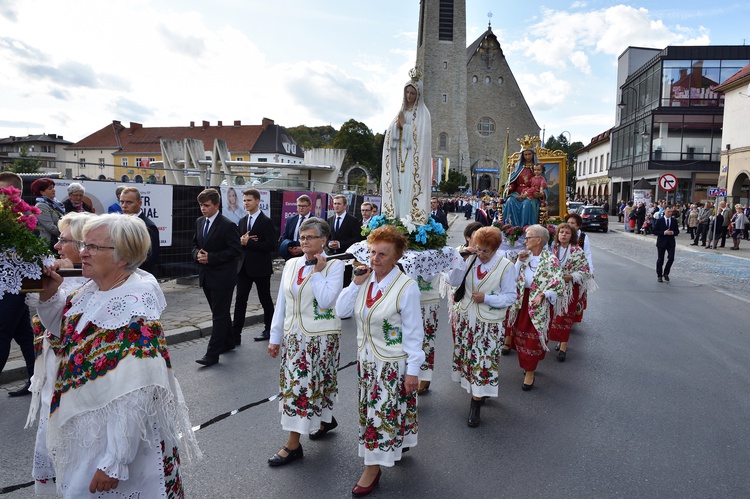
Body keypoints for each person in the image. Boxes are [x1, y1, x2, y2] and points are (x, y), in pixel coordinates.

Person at [34, 214, 200, 497]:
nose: (83, 252)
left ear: (122, 257)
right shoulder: (94, 289)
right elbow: (64, 332)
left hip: (117, 440)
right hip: (89, 430)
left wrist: (116, 460)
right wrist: (50, 296)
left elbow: (135, 394)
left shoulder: (135, 311)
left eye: (93, 247)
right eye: (84, 244)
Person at [335, 225, 424, 497]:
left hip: (392, 363)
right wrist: (355, 283)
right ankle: (393, 446)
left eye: (382, 254)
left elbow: (413, 333)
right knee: (375, 411)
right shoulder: (366, 281)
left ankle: (372, 467)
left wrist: (412, 371)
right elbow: (341, 311)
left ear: (396, 257)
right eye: (372, 252)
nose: (374, 259)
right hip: (367, 361)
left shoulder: (406, 287)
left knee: (380, 414)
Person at [266, 217, 344, 466]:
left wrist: (317, 273)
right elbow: (283, 302)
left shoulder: (334, 266)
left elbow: (326, 301)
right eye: (302, 237)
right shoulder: (290, 264)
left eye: (310, 237)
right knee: (297, 389)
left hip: (321, 338)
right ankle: (306, 433)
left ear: (323, 240)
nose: (305, 241)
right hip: (294, 337)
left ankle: (296, 441)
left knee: (314, 384)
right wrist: (275, 336)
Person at [25, 212, 91, 495]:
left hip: (75, 374)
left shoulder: (91, 282)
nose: (56, 246)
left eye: (63, 240)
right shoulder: (62, 274)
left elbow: (63, 328)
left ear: (83, 245)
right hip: (53, 369)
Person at [447, 226, 516, 427]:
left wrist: (487, 298)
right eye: (478, 249)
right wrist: (461, 260)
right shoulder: (470, 258)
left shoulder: (505, 266)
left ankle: (476, 403)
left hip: (488, 323)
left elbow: (511, 296)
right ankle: (478, 391)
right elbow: (453, 281)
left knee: (483, 361)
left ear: (495, 249)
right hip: (467, 319)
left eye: (486, 251)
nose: (481, 254)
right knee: (470, 359)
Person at [505, 224, 564, 390]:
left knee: (533, 340)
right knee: (521, 337)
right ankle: (527, 365)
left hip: (539, 305)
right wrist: (518, 261)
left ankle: (530, 372)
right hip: (523, 303)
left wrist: (543, 294)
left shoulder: (551, 260)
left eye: (529, 237)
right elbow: (513, 279)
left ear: (539, 240)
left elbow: (558, 283)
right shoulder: (525, 256)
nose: (525, 241)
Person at [193, 188, 241, 366]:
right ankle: (228, 342)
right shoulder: (199, 222)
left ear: (216, 206)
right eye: (201, 205)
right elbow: (194, 245)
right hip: (206, 276)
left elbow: (235, 250)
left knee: (219, 316)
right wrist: (197, 254)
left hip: (223, 277)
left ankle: (212, 354)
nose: (203, 209)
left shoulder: (227, 225)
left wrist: (211, 258)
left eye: (206, 205)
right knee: (218, 313)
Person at [0, 172, 36, 397]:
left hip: (12, 284)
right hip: (7, 284)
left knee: (1, 333)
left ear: (16, 193)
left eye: (3, 192)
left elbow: (23, 253)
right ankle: (35, 380)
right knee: (24, 335)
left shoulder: (22, 216)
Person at [381, 78, 432, 225]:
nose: (409, 96)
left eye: (413, 93)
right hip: (398, 159)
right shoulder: (400, 112)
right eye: (407, 93)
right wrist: (396, 127)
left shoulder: (424, 115)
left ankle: (411, 220)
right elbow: (390, 140)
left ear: (418, 95)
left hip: (412, 161)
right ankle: (395, 219)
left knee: (410, 188)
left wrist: (404, 126)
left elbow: (421, 139)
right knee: (398, 188)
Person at [233, 189, 276, 343]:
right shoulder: (243, 220)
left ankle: (269, 329)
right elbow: (240, 243)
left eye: (249, 200)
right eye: (244, 200)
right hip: (243, 267)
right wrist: (241, 242)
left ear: (257, 201)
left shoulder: (266, 221)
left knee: (265, 299)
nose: (246, 203)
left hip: (260, 268)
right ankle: (235, 334)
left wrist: (249, 242)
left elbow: (271, 245)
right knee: (240, 301)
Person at [548, 223, 596, 361]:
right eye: (561, 232)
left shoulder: (577, 251)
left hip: (569, 289)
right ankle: (551, 340)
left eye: (567, 233)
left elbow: (585, 271)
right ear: (557, 235)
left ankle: (563, 346)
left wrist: (570, 277)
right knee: (553, 316)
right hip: (553, 287)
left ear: (572, 236)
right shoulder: (552, 249)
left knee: (566, 316)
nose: (563, 234)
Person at [119, 186, 160, 275]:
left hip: (140, 275)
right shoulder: (118, 223)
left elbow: (151, 257)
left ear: (140, 203)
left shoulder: (148, 226)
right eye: (122, 202)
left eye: (129, 202)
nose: (124, 206)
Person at [502, 149, 545, 226]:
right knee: (509, 201)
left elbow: (543, 185)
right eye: (525, 154)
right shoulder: (518, 168)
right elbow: (513, 182)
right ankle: (511, 226)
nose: (527, 156)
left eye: (529, 154)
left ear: (533, 154)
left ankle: (526, 226)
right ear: (522, 155)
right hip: (517, 193)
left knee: (527, 203)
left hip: (531, 195)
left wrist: (540, 193)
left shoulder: (537, 168)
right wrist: (510, 188)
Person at [326, 194, 361, 286]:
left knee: (344, 283)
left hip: (346, 258)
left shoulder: (353, 220)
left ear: (345, 206)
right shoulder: (329, 220)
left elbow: (357, 239)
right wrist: (329, 244)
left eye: (339, 204)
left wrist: (340, 244)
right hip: (331, 256)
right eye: (334, 203)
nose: (336, 206)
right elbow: (325, 238)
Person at [31, 178, 65, 249]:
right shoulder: (41, 206)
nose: (53, 190)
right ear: (42, 192)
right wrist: (65, 234)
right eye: (50, 188)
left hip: (57, 240)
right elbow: (50, 226)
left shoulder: (55, 204)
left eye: (53, 187)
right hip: (48, 243)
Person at [279, 194, 312, 260]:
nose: (301, 208)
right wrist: (289, 247)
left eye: (304, 206)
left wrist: (302, 249)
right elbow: (285, 237)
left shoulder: (315, 220)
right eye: (299, 205)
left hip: (307, 255)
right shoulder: (291, 219)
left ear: (310, 207)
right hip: (291, 255)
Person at [654, 206, 679, 282]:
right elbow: (654, 231)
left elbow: (677, 231)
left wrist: (672, 232)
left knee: (671, 258)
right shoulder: (659, 221)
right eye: (669, 212)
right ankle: (659, 275)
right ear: (664, 211)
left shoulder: (674, 221)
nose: (670, 213)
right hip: (661, 242)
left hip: (671, 243)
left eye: (671, 212)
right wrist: (664, 232)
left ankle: (666, 273)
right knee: (660, 260)